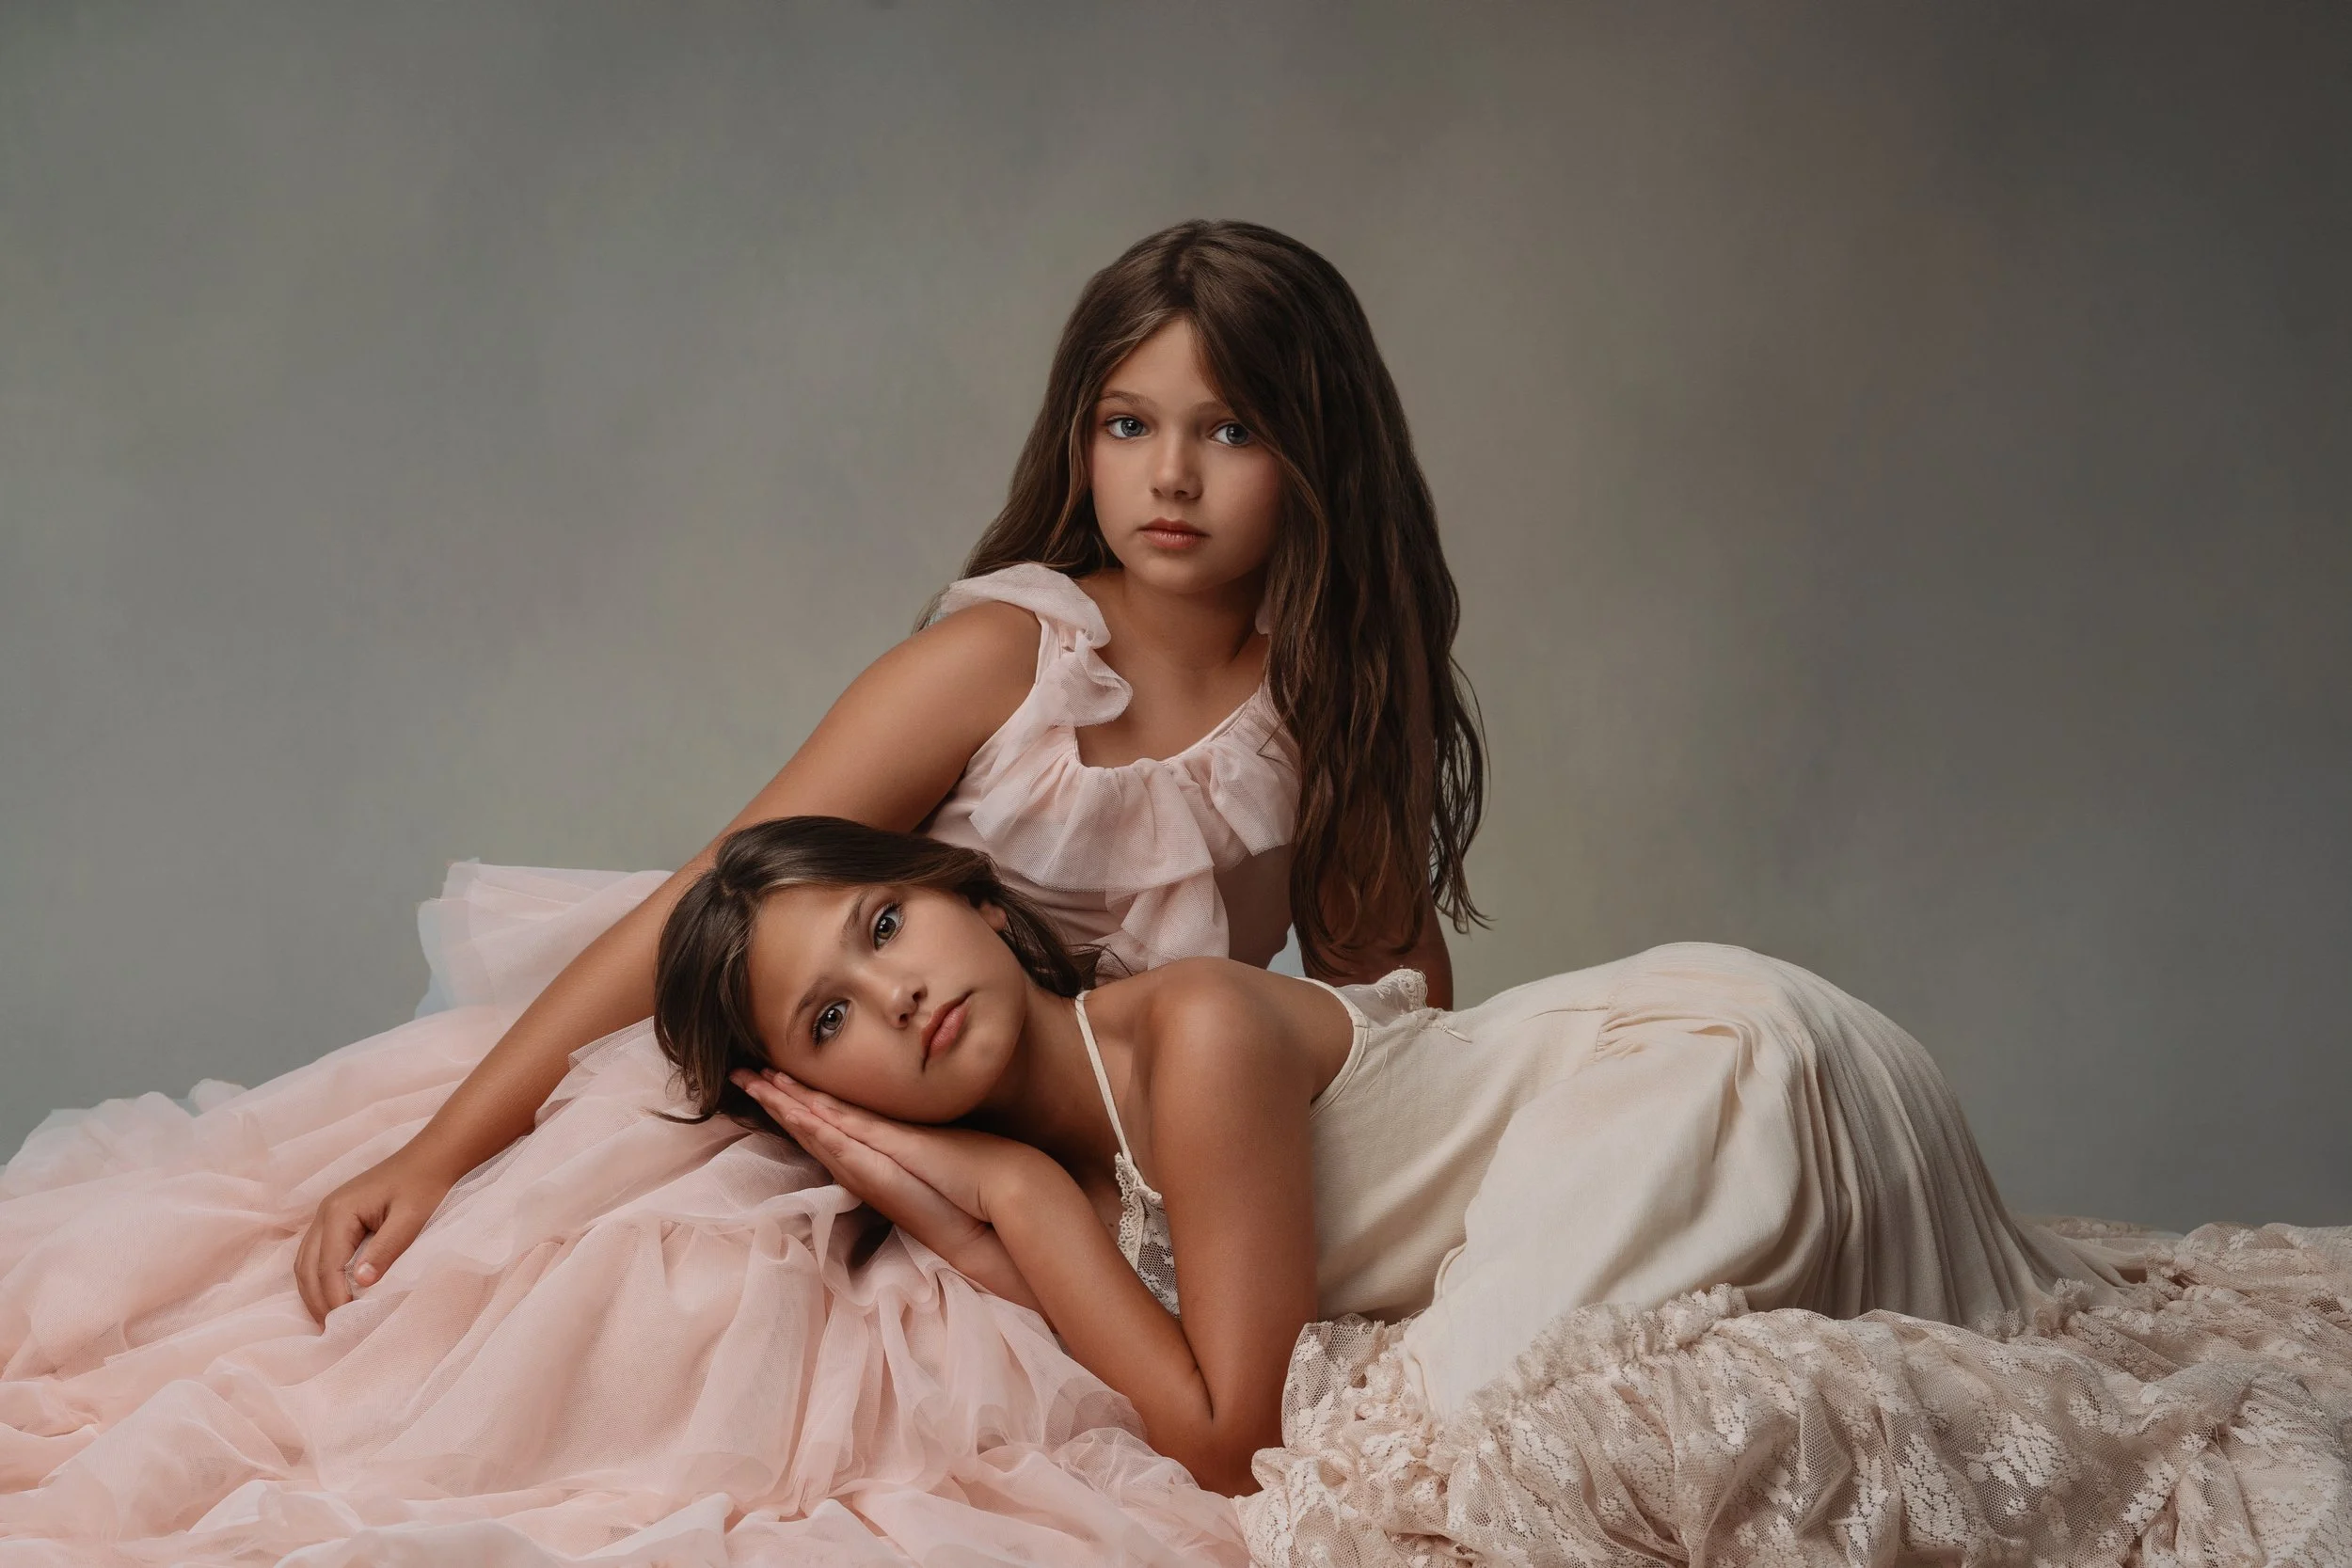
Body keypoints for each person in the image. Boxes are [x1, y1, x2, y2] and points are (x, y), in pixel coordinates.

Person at [292, 217, 1487, 1322]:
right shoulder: (1001, 661)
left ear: (1318, 451)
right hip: (866, 1130)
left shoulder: (1330, 706)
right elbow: (707, 893)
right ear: (1080, 438)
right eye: (1129, 423)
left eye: (1230, 430)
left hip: (1096, 1203)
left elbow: (1387, 1018)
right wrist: (439, 1152)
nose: (1172, 475)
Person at [660, 816, 2126, 1497]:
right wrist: (1009, 1215)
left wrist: (1018, 1200)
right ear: (809, 1090)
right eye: (832, 1014)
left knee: (1441, 1464)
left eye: (883, 924)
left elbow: (1235, 1439)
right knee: (1450, 1444)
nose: (897, 992)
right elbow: (1206, 1407)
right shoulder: (1072, 1177)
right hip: (1604, 1151)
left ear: (961, 886)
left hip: (1695, 1073)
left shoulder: (1196, 1031)